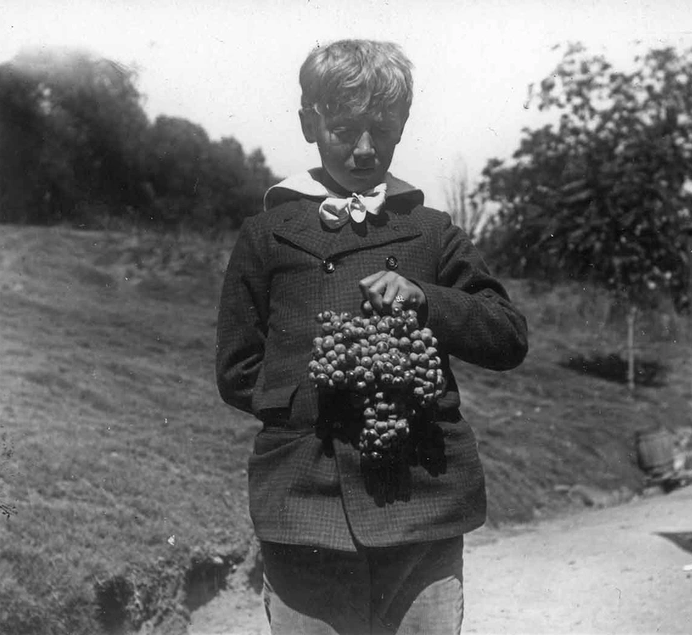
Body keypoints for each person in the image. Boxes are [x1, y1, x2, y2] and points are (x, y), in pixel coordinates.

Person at [216, 39, 528, 635]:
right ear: (310, 124)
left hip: (421, 496)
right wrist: (319, 394)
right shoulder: (266, 234)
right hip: (304, 499)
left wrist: (426, 300)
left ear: (402, 126)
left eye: (380, 130)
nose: (363, 150)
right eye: (342, 130)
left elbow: (509, 336)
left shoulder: (430, 231)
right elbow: (237, 370)